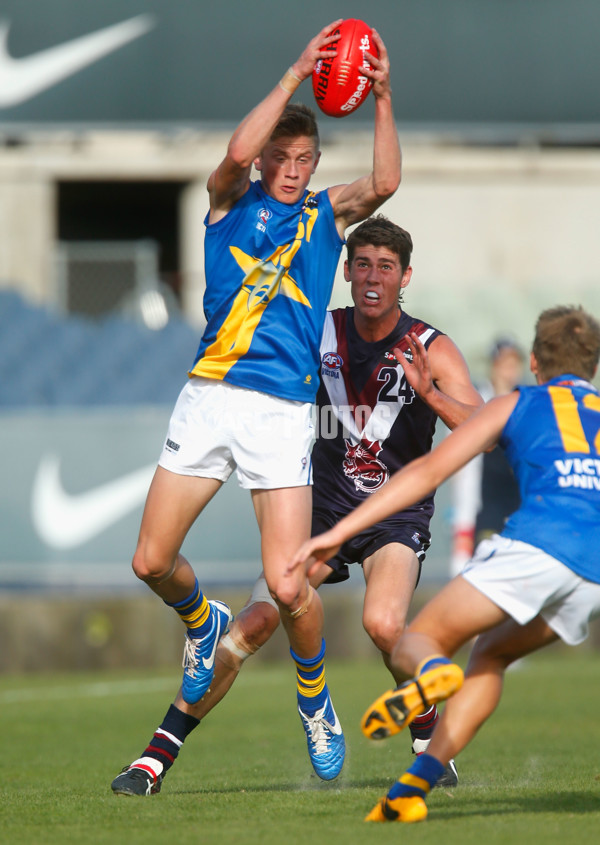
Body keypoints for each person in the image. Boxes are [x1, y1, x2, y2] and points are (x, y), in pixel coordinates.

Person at [112, 21, 401, 794]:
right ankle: (201, 621)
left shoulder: (322, 216)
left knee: (286, 583)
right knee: (149, 561)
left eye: (305, 160)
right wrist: (297, 71)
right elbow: (236, 155)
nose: (293, 170)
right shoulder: (228, 200)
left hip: (278, 412)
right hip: (208, 395)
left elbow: (385, 183)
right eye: (285, 158)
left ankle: (314, 698)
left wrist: (381, 97)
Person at [111, 215, 483, 796]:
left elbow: (481, 428)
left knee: (384, 625)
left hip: (393, 517)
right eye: (361, 264)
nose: (372, 277)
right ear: (345, 270)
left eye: (386, 267)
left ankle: (427, 728)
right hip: (320, 516)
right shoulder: (317, 333)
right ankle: (155, 758)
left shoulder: (430, 347)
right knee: (251, 625)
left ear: (405, 276)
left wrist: (429, 392)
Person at [290, 305, 600, 824]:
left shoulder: (516, 404)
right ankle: (414, 785)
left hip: (541, 547)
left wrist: (340, 531)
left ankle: (432, 674)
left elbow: (429, 469)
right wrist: (431, 395)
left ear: (533, 363)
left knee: (415, 640)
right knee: (494, 655)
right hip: (593, 572)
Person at [450, 337, 525, 576]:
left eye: (514, 364)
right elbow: (461, 466)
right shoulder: (477, 402)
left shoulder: (526, 402)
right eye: (504, 364)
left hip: (516, 502)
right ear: (494, 366)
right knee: (475, 571)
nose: (510, 371)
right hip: (484, 504)